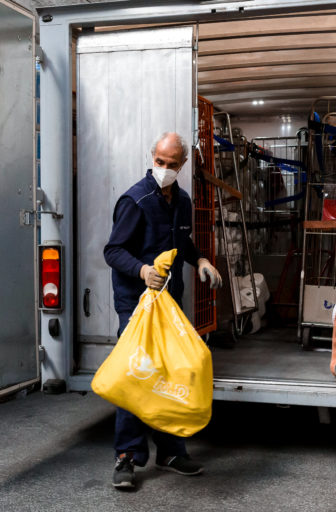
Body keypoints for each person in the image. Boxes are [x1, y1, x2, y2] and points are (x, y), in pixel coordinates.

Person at [103, 132, 222, 489]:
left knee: (171, 375)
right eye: (160, 162)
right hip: (136, 303)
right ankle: (126, 457)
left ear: (182, 165)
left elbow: (180, 241)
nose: (165, 169)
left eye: (172, 165)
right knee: (136, 375)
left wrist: (200, 258)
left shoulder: (182, 201)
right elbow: (113, 251)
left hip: (168, 303)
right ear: (152, 157)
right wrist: (142, 271)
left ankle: (170, 452)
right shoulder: (135, 201)